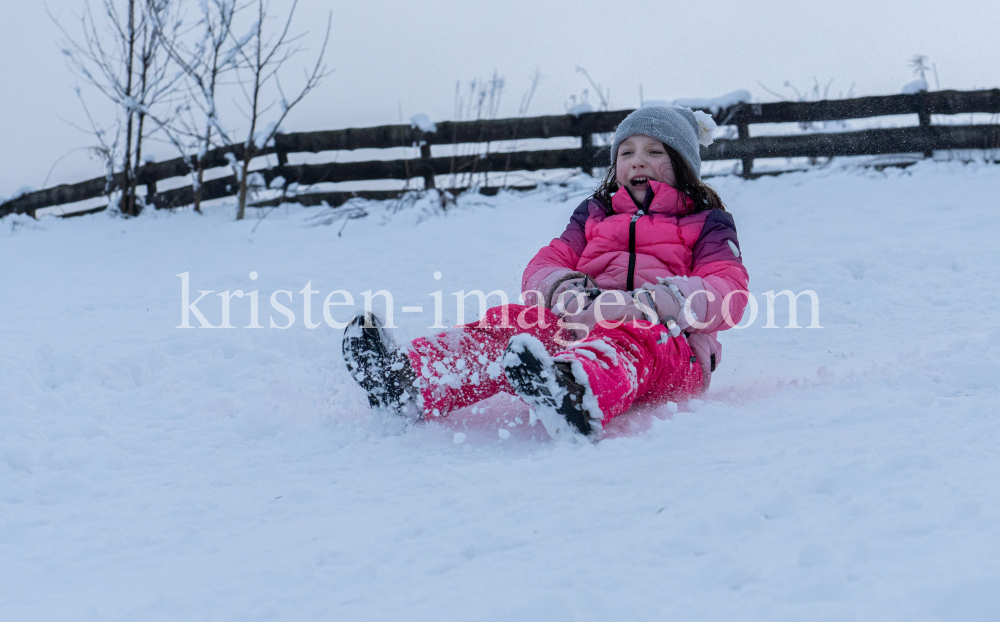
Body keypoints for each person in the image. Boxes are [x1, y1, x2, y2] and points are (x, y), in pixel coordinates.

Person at [343, 106, 750, 439]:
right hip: (581, 323)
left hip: (670, 347)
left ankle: (575, 393)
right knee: (516, 323)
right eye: (626, 152)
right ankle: (410, 380)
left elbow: (729, 291)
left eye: (654, 151)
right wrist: (568, 297)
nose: (638, 160)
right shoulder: (595, 214)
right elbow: (543, 267)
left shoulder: (706, 221)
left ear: (682, 163)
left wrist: (653, 304)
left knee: (634, 335)